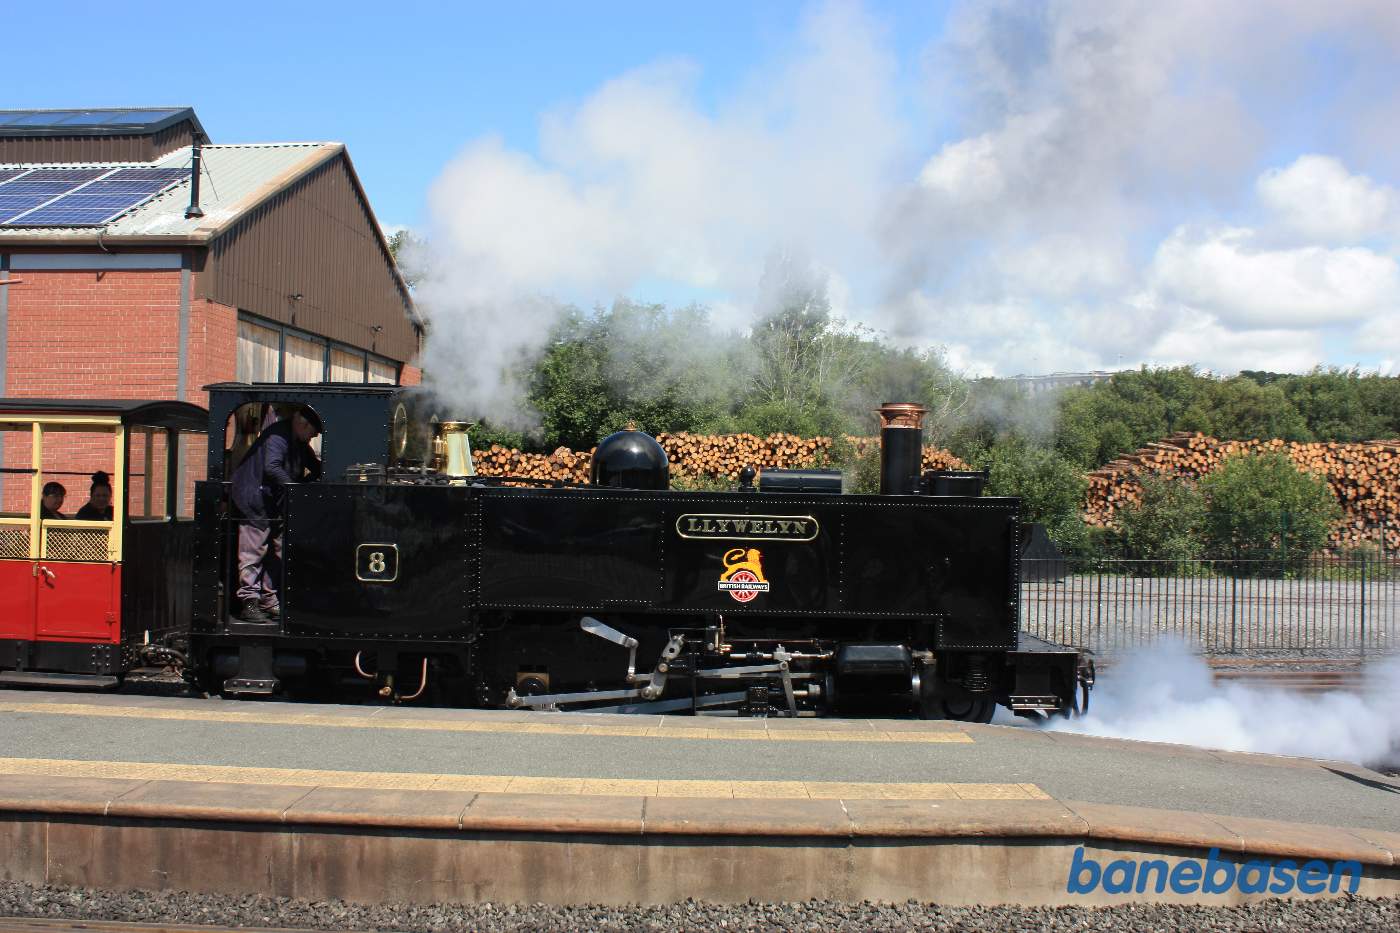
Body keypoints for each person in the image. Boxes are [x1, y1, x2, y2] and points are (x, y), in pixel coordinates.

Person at [229, 406, 323, 622]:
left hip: (275, 503)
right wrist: (296, 488)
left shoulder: (299, 442)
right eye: (313, 431)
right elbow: (272, 467)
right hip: (255, 501)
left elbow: (316, 467)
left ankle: (269, 601)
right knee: (254, 551)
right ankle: (249, 602)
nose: (314, 436)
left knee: (277, 552)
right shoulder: (278, 436)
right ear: (302, 423)